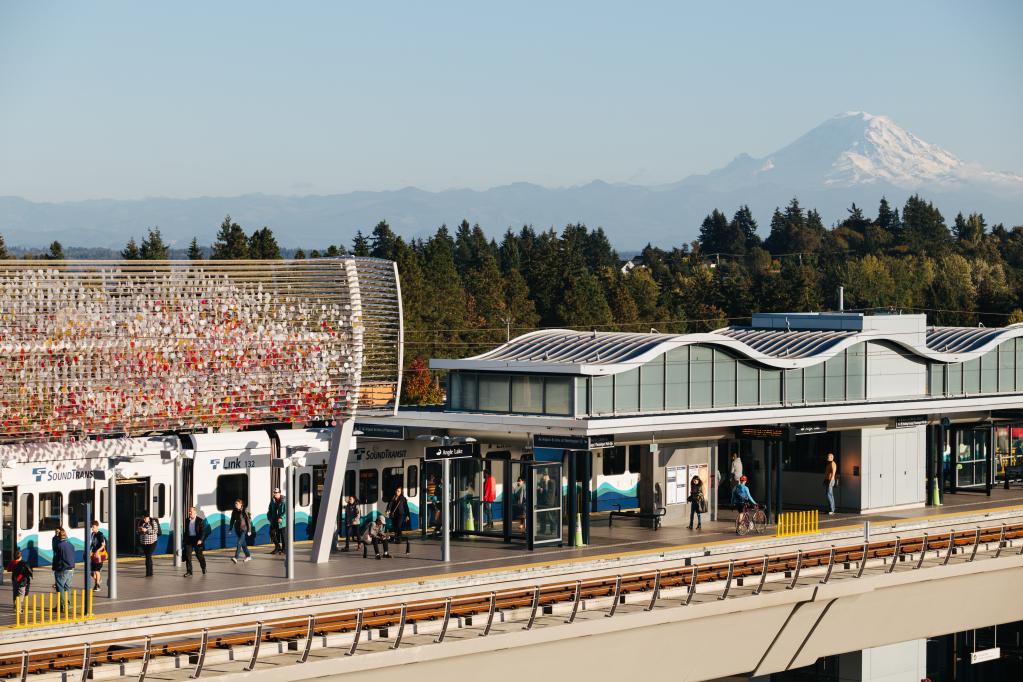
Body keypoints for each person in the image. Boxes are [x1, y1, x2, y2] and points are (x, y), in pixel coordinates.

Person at [182, 506, 210, 577]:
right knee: (188, 556)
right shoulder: (187, 520)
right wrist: (184, 541)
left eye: (191, 511)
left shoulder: (200, 520)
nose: (189, 513)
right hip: (189, 540)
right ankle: (189, 572)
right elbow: (186, 531)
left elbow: (203, 531)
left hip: (197, 540)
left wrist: (201, 540)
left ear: (195, 512)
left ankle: (203, 567)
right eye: (189, 511)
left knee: (199, 555)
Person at [51, 528, 75, 609]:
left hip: (62, 569)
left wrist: (54, 567)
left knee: (60, 587)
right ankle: (68, 605)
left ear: (59, 536)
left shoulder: (59, 546)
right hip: (71, 569)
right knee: (67, 587)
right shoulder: (71, 544)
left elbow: (57, 558)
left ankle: (62, 606)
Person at [384, 486, 410, 551]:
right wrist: (387, 510)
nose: (397, 492)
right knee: (395, 526)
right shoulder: (393, 497)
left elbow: (406, 507)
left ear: (401, 492)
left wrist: (407, 515)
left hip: (401, 514)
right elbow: (389, 505)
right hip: (394, 514)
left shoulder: (403, 498)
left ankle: (399, 539)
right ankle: (396, 538)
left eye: (398, 491)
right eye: (396, 491)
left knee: (398, 526)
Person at [137, 512, 160, 577]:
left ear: (148, 517)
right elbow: (137, 532)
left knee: (148, 556)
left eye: (145, 518)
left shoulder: (153, 522)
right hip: (144, 543)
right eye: (143, 518)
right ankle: (150, 572)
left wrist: (146, 530)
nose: (144, 519)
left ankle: (149, 573)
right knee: (147, 557)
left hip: (152, 542)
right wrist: (139, 530)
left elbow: (155, 531)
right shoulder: (141, 522)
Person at [229, 499, 253, 564]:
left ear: (241, 504)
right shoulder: (234, 511)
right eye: (235, 504)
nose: (236, 505)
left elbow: (248, 521)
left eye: (237, 504)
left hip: (243, 529)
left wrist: (249, 530)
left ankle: (236, 557)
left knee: (239, 542)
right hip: (237, 529)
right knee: (243, 544)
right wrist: (230, 528)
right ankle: (248, 556)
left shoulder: (244, 511)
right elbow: (232, 520)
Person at [267, 488, 286, 555]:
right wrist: (269, 517)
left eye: (276, 493)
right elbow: (269, 509)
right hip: (274, 520)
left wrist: (281, 517)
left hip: (282, 521)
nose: (274, 494)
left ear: (279, 493)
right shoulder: (273, 500)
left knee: (283, 535)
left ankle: (284, 549)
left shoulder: (284, 500)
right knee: (271, 532)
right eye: (274, 492)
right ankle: (277, 547)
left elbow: (286, 511)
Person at [89, 520, 106, 591]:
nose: (92, 528)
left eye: (93, 527)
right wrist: (89, 551)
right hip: (93, 555)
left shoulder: (100, 534)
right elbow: (91, 544)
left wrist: (97, 551)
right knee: (92, 573)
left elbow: (103, 545)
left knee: (97, 571)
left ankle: (97, 586)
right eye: (92, 527)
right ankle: (99, 580)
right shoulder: (92, 534)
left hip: (99, 555)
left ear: (97, 527)